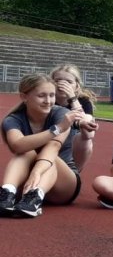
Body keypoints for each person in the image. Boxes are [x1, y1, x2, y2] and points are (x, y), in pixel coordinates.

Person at [1, 74, 86, 217]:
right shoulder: (13, 119)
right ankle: (7, 193)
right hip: (28, 183)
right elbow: (17, 145)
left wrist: (36, 172)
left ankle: (35, 198)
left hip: (63, 184)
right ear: (24, 97)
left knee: (51, 158)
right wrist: (57, 129)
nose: (48, 101)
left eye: (52, 95)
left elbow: (53, 147)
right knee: (26, 151)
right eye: (41, 96)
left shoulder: (62, 114)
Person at [51, 64, 99, 172]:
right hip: (48, 138)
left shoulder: (83, 102)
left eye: (69, 82)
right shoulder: (46, 99)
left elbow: (89, 130)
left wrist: (72, 99)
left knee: (86, 138)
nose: (62, 84)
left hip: (71, 145)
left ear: (77, 86)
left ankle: (74, 172)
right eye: (57, 80)